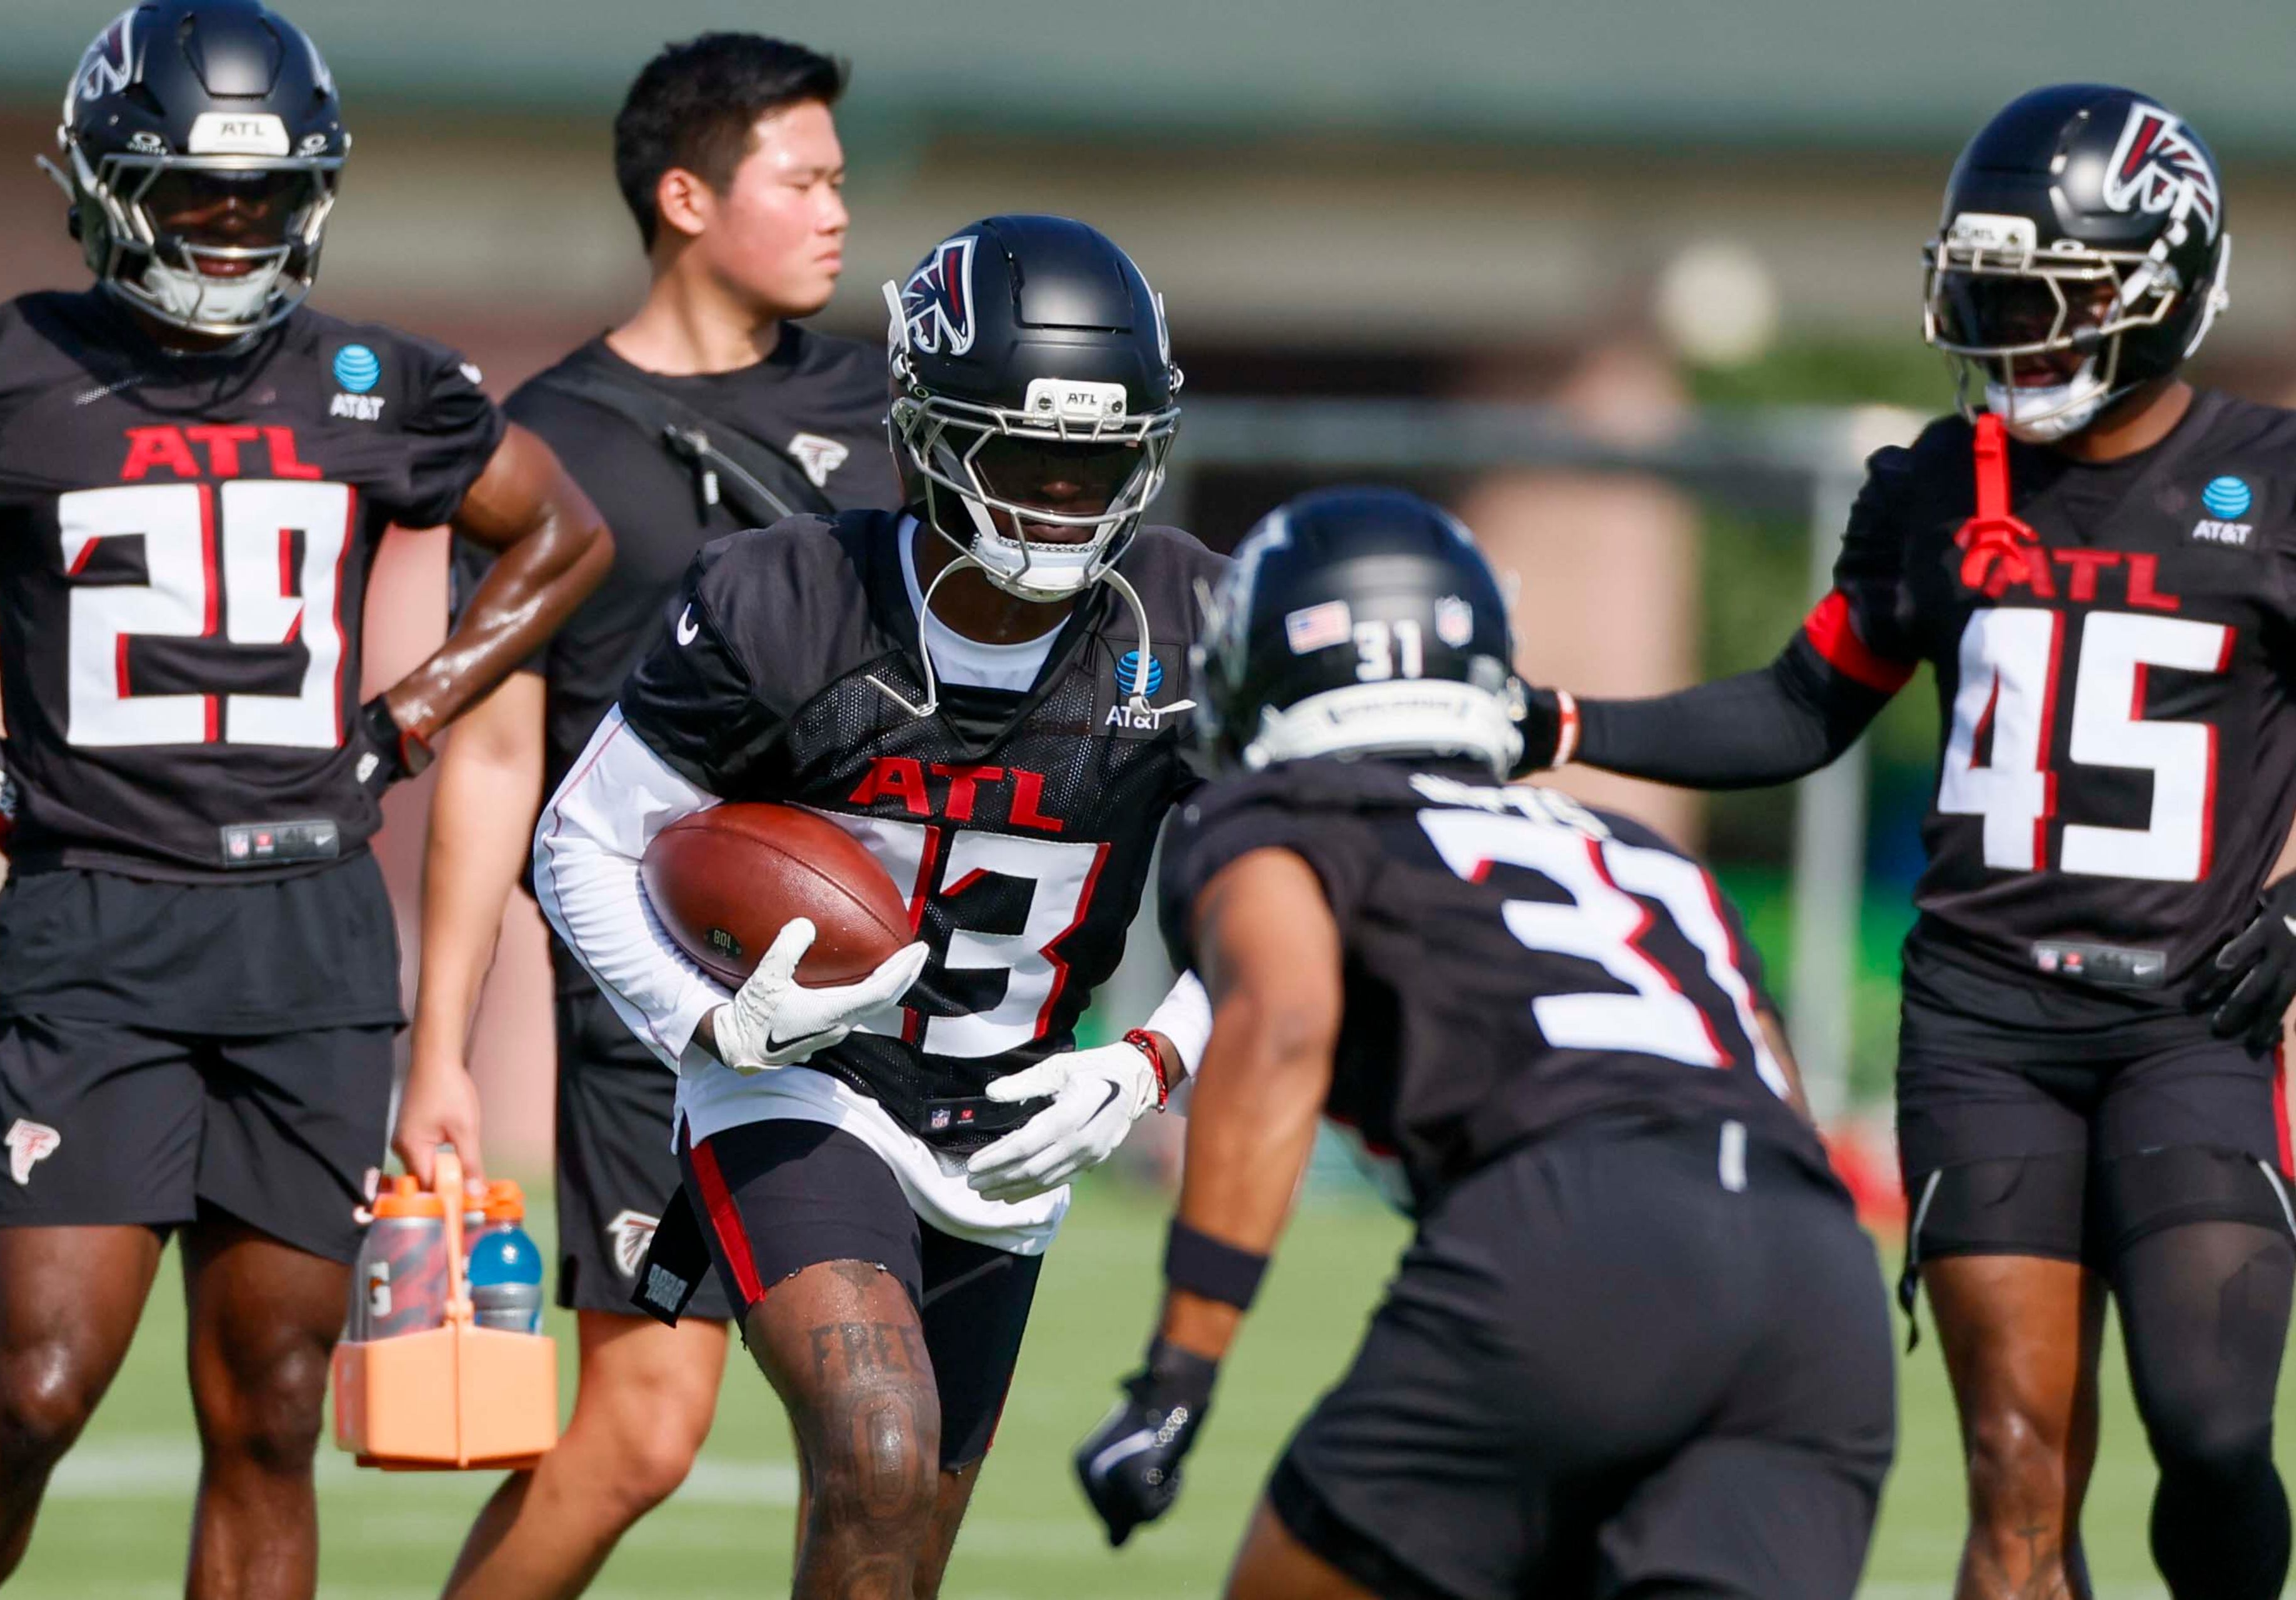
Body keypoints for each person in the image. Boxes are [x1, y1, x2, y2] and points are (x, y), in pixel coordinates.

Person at [1517, 84, 2294, 1600]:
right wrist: (1557, 723)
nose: (2012, 332)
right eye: (1994, 293)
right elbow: (1801, 706)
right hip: (1984, 1024)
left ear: (2166, 289)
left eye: (2053, 300)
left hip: (2191, 1018)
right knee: (2017, 1466)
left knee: (2211, 1427)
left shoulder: (2275, 476)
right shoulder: (1940, 482)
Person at [0, 6, 612, 1598]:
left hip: (312, 940)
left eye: (266, 196)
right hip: (97, 925)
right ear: (100, 185)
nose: (232, 229)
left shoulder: (376, 380)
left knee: (275, 1408)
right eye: (197, 194)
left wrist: (411, 716)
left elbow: (562, 536)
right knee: (38, 1385)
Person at [534, 213, 1219, 1596]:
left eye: (1099, 462)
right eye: (1025, 455)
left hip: (1016, 1120)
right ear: (924, 435)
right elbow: (581, 843)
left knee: (896, 1545)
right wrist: (714, 1026)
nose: (1064, 500)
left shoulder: (1190, 618)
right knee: (881, 1439)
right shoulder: (787, 597)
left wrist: (1153, 1059)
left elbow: (1314, 897)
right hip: (806, 1083)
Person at [1076, 487, 1895, 1597]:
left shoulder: (1280, 821)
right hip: (1815, 1281)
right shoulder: (1636, 849)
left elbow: (1282, 1027)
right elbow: (1774, 1086)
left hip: (1570, 1233)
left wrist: (1179, 1375)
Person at [387, 34, 898, 1597]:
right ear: (687, 196)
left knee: (906, 1426)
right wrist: (441, 1052)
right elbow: (489, 757)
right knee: (642, 1428)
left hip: (891, 974)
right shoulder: (557, 436)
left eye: (837, 177)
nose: (836, 210)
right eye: (800, 178)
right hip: (660, 990)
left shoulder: (893, 404)